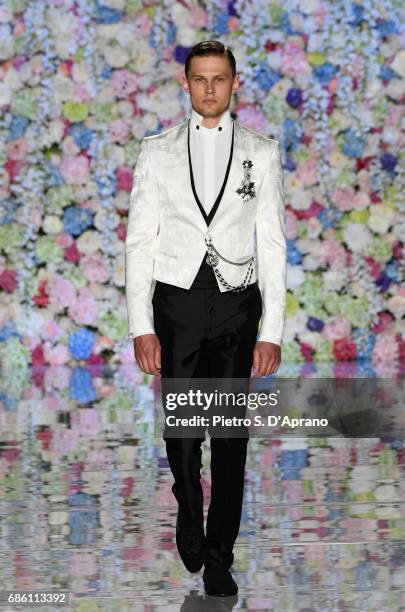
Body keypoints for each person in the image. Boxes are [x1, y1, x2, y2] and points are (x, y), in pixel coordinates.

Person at [125, 40, 286, 597]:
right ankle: (188, 506)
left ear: (235, 83)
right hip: (177, 303)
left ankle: (220, 556)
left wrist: (272, 331)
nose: (211, 88)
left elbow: (274, 243)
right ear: (186, 82)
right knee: (184, 433)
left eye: (220, 79)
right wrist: (140, 325)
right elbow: (139, 242)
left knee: (230, 437)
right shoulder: (158, 152)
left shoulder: (262, 153)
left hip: (239, 305)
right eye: (201, 79)